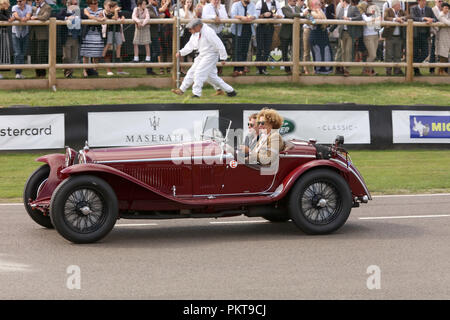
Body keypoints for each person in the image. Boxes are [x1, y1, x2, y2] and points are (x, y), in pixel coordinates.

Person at [171, 19, 237, 98]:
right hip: (202, 54)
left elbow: (219, 44)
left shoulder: (208, 32)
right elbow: (190, 45)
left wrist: (223, 57)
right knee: (203, 75)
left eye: (191, 29)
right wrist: (181, 52)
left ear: (198, 26)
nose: (190, 31)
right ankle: (231, 91)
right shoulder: (196, 33)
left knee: (199, 73)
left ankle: (196, 94)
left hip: (211, 55)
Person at [255, 0, 283, 75]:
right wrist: (263, 15)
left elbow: (281, 15)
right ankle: (259, 68)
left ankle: (264, 68)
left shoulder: (276, 3)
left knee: (267, 48)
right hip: (260, 28)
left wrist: (276, 16)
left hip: (270, 28)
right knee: (260, 48)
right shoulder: (259, 3)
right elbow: (255, 16)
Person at [334, 0, 362, 76]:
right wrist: (329, 29)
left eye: (341, 1)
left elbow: (360, 17)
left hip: (350, 33)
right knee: (343, 51)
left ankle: (347, 69)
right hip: (342, 33)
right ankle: (343, 68)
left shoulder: (353, 8)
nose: (340, 3)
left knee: (348, 51)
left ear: (344, 1)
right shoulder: (341, 10)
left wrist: (349, 19)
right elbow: (337, 20)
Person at [410, 0, 437, 76]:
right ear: (418, 1)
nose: (424, 2)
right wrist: (424, 18)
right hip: (415, 35)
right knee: (415, 53)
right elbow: (413, 17)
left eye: (425, 1)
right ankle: (416, 71)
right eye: (423, 1)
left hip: (425, 35)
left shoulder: (429, 9)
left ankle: (413, 65)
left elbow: (435, 19)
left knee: (425, 53)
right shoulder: (413, 8)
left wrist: (431, 20)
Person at [202, 0, 229, 75]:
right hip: (210, 33)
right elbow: (204, 17)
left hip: (219, 32)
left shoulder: (222, 7)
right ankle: (209, 70)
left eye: (218, 0)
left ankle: (218, 70)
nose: (216, 1)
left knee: (219, 50)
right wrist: (214, 17)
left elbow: (226, 18)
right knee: (210, 52)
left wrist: (219, 11)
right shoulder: (207, 7)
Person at [230, 0, 256, 77]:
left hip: (248, 31)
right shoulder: (236, 5)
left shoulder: (252, 5)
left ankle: (241, 69)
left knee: (245, 50)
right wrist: (241, 17)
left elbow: (256, 14)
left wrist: (252, 17)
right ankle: (236, 69)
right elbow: (233, 15)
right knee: (237, 50)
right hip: (237, 31)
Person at [56, 0, 82, 78]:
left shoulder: (79, 11)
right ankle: (66, 71)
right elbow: (57, 16)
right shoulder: (64, 11)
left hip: (76, 37)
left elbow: (85, 16)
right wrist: (67, 17)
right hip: (67, 37)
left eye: (75, 4)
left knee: (74, 57)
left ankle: (70, 73)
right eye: (72, 4)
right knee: (66, 56)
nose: (73, 5)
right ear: (68, 4)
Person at [80, 0, 106, 77]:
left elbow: (103, 19)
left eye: (96, 3)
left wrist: (101, 18)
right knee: (86, 54)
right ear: (89, 4)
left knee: (96, 54)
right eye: (92, 3)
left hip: (97, 34)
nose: (95, 5)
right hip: (88, 34)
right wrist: (98, 19)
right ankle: (85, 71)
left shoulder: (101, 10)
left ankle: (95, 71)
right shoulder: (86, 9)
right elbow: (89, 16)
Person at [102, 1, 128, 76]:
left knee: (118, 51)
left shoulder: (118, 12)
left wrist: (122, 18)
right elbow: (114, 18)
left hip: (118, 33)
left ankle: (119, 70)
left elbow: (121, 17)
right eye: (108, 5)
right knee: (108, 53)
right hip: (107, 34)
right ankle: (108, 70)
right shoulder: (104, 13)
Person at [279, 0, 305, 74]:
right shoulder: (284, 8)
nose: (295, 1)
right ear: (289, 1)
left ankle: (295, 69)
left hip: (295, 34)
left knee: (295, 52)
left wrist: (313, 21)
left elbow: (306, 15)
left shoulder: (298, 8)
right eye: (294, 0)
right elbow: (290, 15)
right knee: (285, 52)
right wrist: (302, 14)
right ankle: (287, 70)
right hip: (285, 34)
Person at [382, 0, 407, 76]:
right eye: (398, 5)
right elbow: (385, 17)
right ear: (394, 6)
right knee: (388, 54)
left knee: (398, 55)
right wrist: (395, 19)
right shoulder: (388, 10)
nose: (400, 6)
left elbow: (408, 16)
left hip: (399, 37)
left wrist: (402, 18)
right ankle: (388, 71)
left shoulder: (401, 11)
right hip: (390, 36)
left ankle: (397, 71)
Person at [309, 0, 333, 74]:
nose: (319, 5)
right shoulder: (308, 12)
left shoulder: (322, 12)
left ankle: (327, 70)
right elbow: (313, 21)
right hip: (315, 36)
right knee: (317, 53)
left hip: (323, 36)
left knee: (326, 51)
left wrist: (319, 12)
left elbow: (325, 24)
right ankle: (318, 70)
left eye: (319, 4)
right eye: (316, 4)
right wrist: (318, 13)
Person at [30, 0, 51, 78]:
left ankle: (42, 73)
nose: (36, 1)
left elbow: (45, 17)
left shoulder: (47, 7)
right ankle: (37, 73)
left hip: (42, 35)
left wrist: (35, 17)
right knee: (34, 55)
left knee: (41, 55)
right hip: (33, 34)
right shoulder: (34, 7)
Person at [11, 0, 32, 79]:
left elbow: (28, 15)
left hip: (25, 33)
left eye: (20, 1)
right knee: (17, 53)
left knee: (22, 53)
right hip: (15, 33)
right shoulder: (14, 7)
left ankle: (19, 73)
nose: (18, 2)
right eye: (17, 1)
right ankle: (17, 73)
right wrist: (21, 19)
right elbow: (15, 15)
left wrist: (26, 18)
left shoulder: (28, 7)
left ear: (24, 1)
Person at [359, 1, 379, 76]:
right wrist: (375, 19)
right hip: (368, 36)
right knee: (373, 55)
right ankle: (367, 70)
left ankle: (368, 71)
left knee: (372, 55)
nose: (373, 10)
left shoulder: (375, 15)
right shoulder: (364, 15)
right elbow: (367, 21)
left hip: (375, 36)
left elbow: (378, 25)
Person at [146, 0, 163, 75]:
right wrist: (161, 16)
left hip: (156, 32)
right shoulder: (148, 8)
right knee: (155, 51)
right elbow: (153, 17)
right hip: (151, 33)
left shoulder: (156, 7)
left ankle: (149, 69)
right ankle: (149, 68)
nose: (157, 1)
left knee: (155, 51)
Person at [159, 0, 173, 74]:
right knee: (161, 51)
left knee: (169, 50)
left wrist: (171, 15)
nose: (165, 1)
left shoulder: (170, 9)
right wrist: (166, 3)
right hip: (161, 31)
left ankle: (168, 68)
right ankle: (161, 68)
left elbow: (172, 17)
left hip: (169, 31)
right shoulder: (159, 8)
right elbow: (162, 11)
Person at [0, 0, 13, 79]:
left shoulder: (5, 10)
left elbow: (9, 17)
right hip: (1, 33)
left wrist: (9, 17)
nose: (7, 5)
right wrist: (8, 19)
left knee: (2, 53)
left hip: (3, 33)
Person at [437, 2, 449, 75]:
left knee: (446, 54)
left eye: (448, 8)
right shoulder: (441, 15)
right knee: (443, 54)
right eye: (445, 8)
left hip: (448, 36)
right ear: (442, 8)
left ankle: (443, 70)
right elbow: (447, 23)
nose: (447, 9)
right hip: (443, 36)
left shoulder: (448, 15)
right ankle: (441, 71)